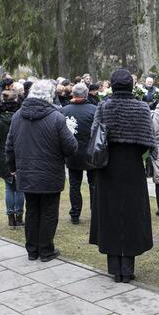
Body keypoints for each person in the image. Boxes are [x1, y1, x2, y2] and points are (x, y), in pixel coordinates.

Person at [89, 69, 156, 283]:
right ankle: (127, 268)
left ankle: (115, 269)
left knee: (109, 215)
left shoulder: (104, 107)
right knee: (131, 215)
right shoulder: (142, 108)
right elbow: (149, 143)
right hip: (132, 169)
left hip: (108, 167)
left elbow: (95, 136)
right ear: (131, 86)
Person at [6, 80, 78, 261]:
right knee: (48, 212)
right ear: (49, 96)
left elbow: (9, 147)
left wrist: (13, 168)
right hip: (49, 173)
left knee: (32, 210)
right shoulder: (56, 118)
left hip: (28, 173)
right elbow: (71, 148)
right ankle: (45, 250)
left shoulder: (17, 116)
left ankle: (32, 250)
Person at [61, 83, 98, 224]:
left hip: (73, 153)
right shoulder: (94, 110)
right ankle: (95, 212)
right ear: (86, 94)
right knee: (93, 185)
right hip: (90, 153)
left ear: (73, 94)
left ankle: (75, 213)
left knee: (74, 185)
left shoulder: (64, 111)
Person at [0, 91, 25, 227]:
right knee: (19, 188)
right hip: (19, 153)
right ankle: (18, 216)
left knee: (9, 188)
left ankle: (11, 217)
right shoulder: (21, 117)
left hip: (4, 154)